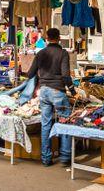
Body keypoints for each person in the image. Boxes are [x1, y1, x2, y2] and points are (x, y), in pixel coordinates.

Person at [27, 27, 74, 167]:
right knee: (64, 122)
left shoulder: (40, 53)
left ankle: (46, 158)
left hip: (44, 91)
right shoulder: (63, 53)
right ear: (59, 37)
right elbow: (65, 75)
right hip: (58, 91)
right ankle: (65, 157)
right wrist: (72, 89)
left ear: (46, 39)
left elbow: (30, 74)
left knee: (46, 124)